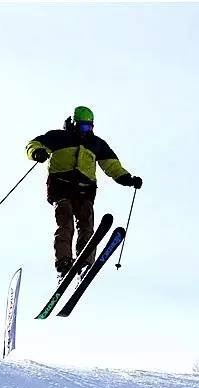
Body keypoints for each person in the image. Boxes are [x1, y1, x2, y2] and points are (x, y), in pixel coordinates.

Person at [25, 106, 142, 279]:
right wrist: (37, 153)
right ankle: (64, 263)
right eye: (82, 126)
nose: (86, 130)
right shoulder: (59, 137)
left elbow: (111, 165)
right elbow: (33, 144)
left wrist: (128, 179)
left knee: (86, 224)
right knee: (66, 225)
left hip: (84, 191)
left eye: (89, 127)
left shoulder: (96, 144)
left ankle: (85, 262)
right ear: (74, 123)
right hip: (61, 187)